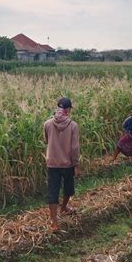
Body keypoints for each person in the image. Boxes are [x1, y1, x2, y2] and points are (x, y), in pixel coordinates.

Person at [43, 97, 80, 231]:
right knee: (68, 187)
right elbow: (75, 148)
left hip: (52, 163)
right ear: (68, 110)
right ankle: (64, 207)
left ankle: (54, 222)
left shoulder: (47, 124)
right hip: (68, 163)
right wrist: (76, 165)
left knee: (53, 190)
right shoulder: (73, 125)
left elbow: (47, 140)